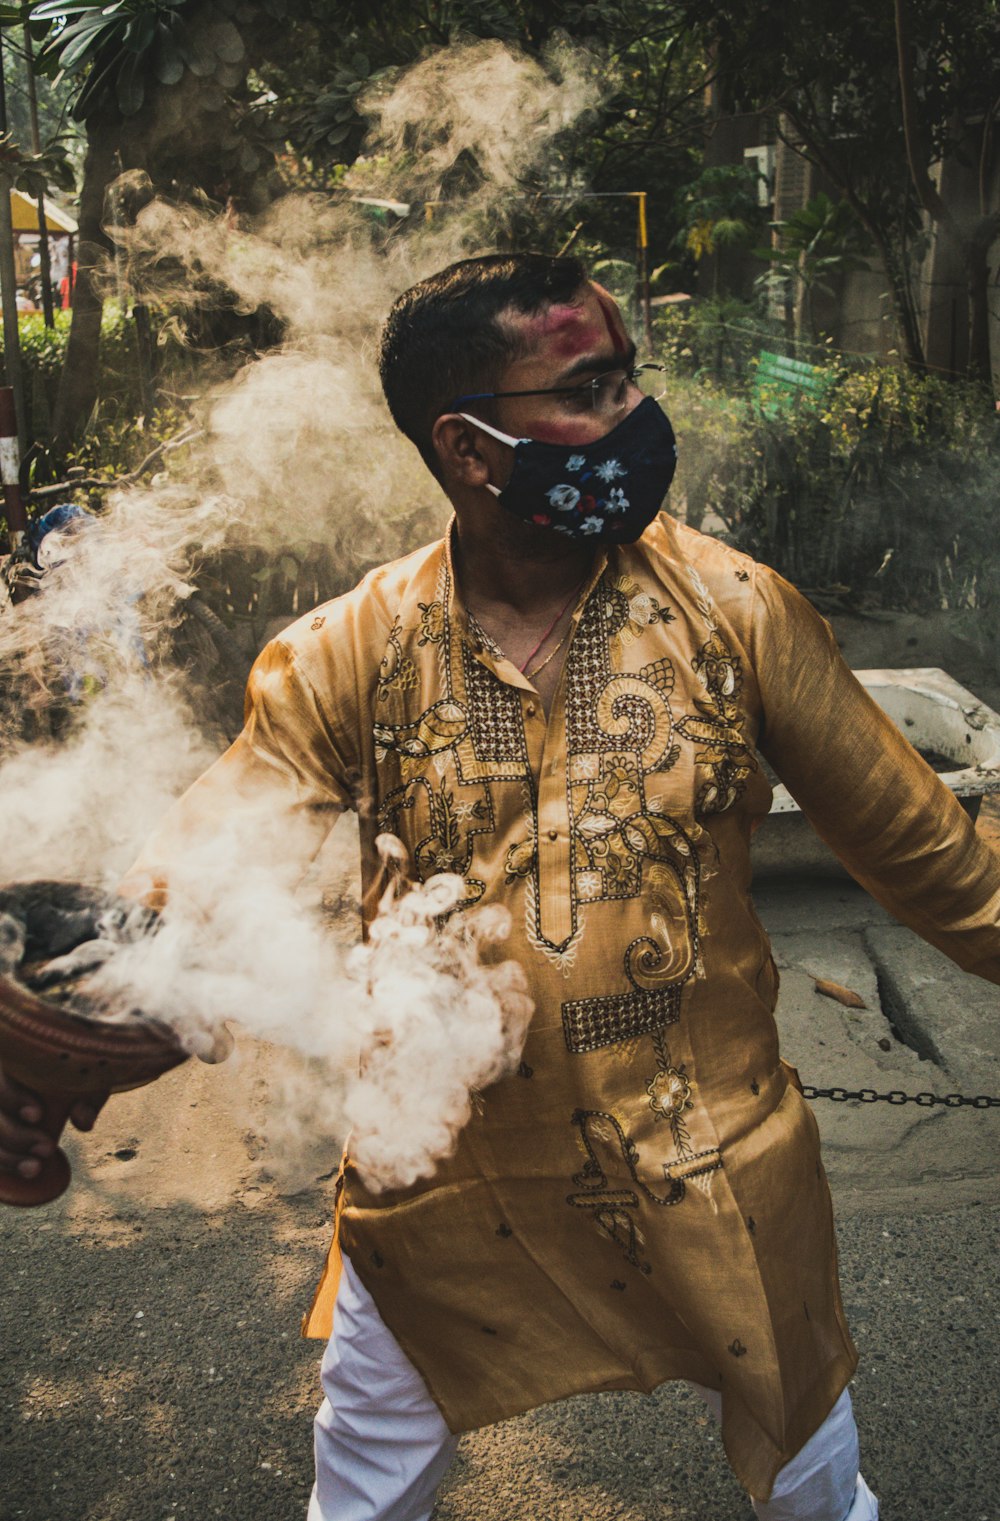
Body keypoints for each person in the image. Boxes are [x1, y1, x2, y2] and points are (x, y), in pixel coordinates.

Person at [2, 253, 998, 1520]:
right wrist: (55, 1033)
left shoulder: (741, 613)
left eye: (628, 376)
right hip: (443, 1178)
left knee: (816, 1490)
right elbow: (202, 886)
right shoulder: (340, 654)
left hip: (713, 1157)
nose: (633, 417)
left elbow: (943, 869)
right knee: (363, 1492)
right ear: (470, 452)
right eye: (586, 392)